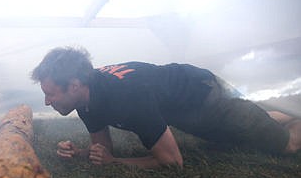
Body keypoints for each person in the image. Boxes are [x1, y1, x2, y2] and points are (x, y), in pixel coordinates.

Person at [31, 46, 301, 169]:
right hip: (183, 108)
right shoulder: (86, 102)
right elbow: (104, 150)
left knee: (286, 144)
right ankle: (277, 117)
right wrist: (81, 153)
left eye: (50, 94)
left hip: (204, 95)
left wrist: (117, 163)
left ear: (75, 85)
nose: (46, 102)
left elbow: (173, 162)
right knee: (239, 135)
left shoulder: (126, 98)